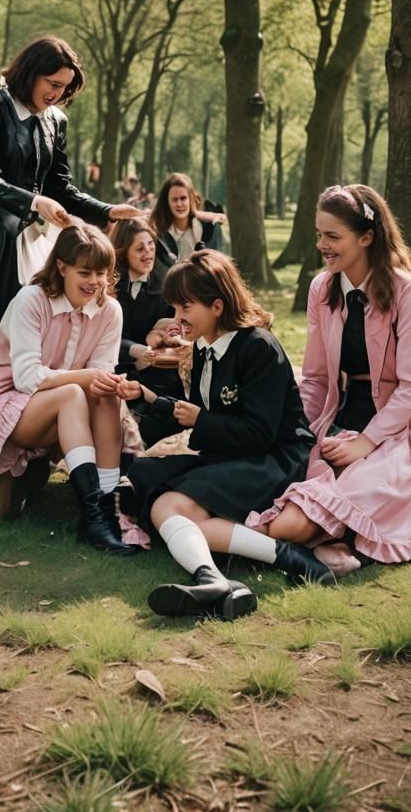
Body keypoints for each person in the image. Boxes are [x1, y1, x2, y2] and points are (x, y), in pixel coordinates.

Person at [0, 37, 139, 506]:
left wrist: (106, 211)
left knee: (16, 349)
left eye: (65, 87)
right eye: (51, 83)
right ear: (30, 72)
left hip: (26, 246)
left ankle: (8, 456)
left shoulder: (54, 120)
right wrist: (33, 201)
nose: (57, 94)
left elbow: (62, 186)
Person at [244, 184, 411, 575]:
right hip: (338, 421)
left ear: (367, 237)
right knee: (283, 511)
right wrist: (296, 430)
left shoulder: (409, 292)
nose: (323, 245)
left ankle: (335, 543)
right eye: (319, 234)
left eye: (333, 236)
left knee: (292, 524)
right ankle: (331, 545)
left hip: (402, 434)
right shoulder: (322, 288)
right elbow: (318, 378)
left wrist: (365, 444)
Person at [120, 250, 326, 621]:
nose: (177, 319)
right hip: (229, 451)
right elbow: (194, 413)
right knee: (146, 483)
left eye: (185, 308)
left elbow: (260, 432)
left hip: (274, 457)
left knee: (168, 506)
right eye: (174, 307)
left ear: (217, 305)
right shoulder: (201, 345)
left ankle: (289, 558)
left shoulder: (258, 346)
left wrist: (200, 419)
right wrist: (148, 400)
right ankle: (215, 580)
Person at [0, 223, 137, 555]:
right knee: (75, 392)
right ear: (61, 267)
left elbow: (98, 373)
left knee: (105, 392)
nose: (95, 282)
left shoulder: (109, 310)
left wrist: (102, 382)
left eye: (101, 273)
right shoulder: (32, 299)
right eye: (84, 272)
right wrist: (85, 378)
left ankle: (107, 513)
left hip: (69, 406)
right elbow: (26, 378)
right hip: (6, 401)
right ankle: (91, 515)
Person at [112, 218, 184, 447]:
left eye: (151, 246)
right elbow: (106, 334)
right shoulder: (108, 285)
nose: (148, 253)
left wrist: (165, 333)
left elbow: (179, 325)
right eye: (140, 248)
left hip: (158, 374)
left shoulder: (166, 282)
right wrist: (137, 349)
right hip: (117, 363)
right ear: (124, 253)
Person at [149, 173, 226, 265]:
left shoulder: (208, 230)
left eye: (183, 198)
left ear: (190, 199)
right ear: (167, 202)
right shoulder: (159, 234)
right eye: (174, 199)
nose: (179, 204)